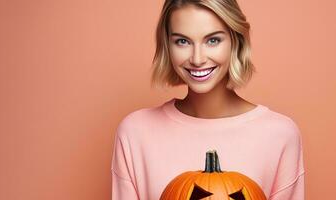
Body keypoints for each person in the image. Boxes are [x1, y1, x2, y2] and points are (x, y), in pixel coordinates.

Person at [110, 0, 305, 199]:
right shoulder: (135, 133)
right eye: (182, 41)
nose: (197, 58)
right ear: (167, 45)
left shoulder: (279, 135)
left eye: (213, 40)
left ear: (235, 41)